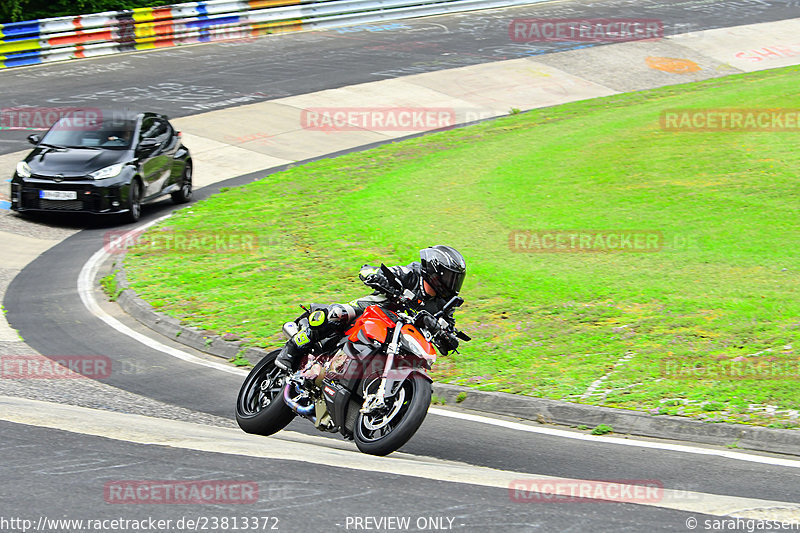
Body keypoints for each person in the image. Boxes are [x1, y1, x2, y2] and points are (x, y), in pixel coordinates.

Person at [274, 245, 467, 371]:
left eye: (456, 279)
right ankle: (292, 348)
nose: (453, 283)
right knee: (337, 314)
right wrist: (376, 276)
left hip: (401, 334)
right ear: (435, 270)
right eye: (450, 277)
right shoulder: (412, 274)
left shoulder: (445, 304)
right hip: (374, 309)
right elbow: (370, 270)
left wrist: (448, 338)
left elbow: (447, 327)